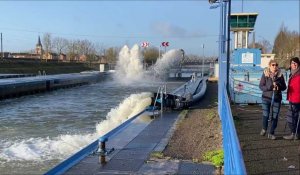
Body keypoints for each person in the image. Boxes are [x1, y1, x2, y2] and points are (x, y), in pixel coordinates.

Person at [259, 60, 286, 140]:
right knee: (266, 114)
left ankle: (271, 133)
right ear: (269, 66)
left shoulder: (280, 75)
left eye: (276, 65)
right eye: (273, 65)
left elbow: (284, 87)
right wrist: (269, 87)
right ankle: (264, 128)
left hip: (277, 98)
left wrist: (279, 86)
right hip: (266, 98)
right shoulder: (265, 74)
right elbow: (261, 86)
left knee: (275, 116)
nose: (275, 66)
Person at [283, 57, 300, 140]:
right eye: (292, 63)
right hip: (291, 98)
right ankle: (296, 133)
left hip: (297, 99)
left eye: (296, 63)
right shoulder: (291, 74)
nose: (294, 64)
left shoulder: (299, 74)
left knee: (292, 116)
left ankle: (294, 133)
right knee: (293, 116)